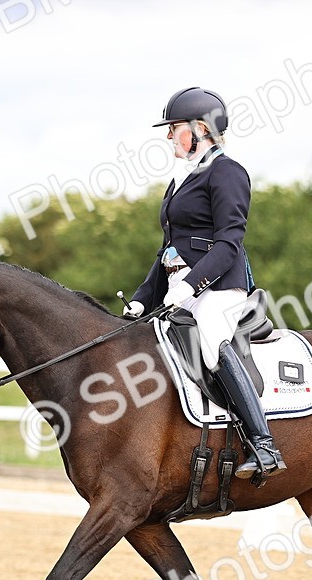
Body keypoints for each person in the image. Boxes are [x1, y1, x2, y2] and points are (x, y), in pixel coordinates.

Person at [125, 87, 286, 480]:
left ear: (201, 128)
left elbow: (230, 243)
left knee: (211, 344)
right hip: (183, 289)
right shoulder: (181, 179)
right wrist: (144, 298)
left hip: (221, 289)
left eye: (174, 128)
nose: (168, 137)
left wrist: (191, 285)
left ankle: (264, 445)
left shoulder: (227, 172)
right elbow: (168, 249)